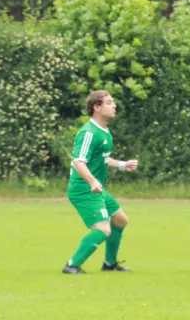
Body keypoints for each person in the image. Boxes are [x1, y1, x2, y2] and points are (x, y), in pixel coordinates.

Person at [62, 90, 139, 274]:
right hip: (84, 189)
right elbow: (78, 162)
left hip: (95, 188)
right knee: (104, 229)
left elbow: (103, 159)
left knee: (120, 220)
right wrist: (92, 182)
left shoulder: (103, 131)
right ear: (97, 107)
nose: (114, 106)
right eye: (109, 102)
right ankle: (72, 265)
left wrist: (122, 165)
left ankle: (110, 264)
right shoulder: (88, 133)